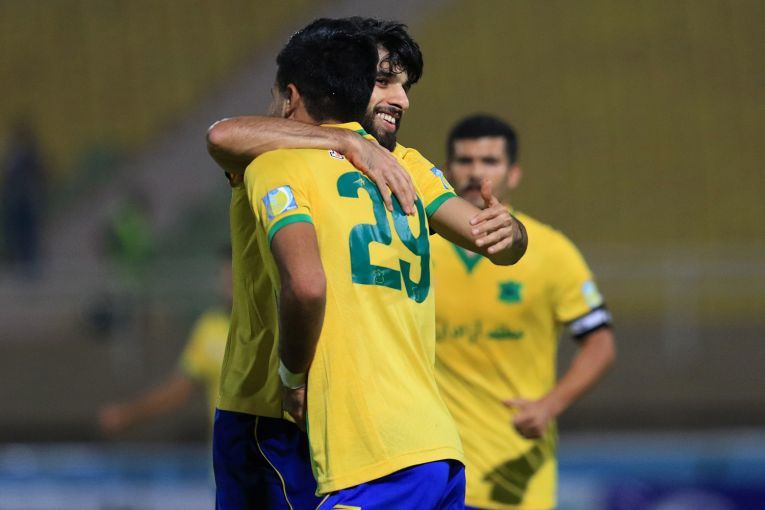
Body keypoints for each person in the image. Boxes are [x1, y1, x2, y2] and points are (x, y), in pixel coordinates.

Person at [211, 18, 526, 510]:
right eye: (382, 80)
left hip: (318, 410)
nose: (400, 99)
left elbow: (492, 240)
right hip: (297, 412)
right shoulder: (272, 150)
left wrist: (512, 232)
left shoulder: (396, 164)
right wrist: (345, 142)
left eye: (403, 85)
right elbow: (223, 134)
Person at [433, 114, 617, 510]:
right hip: (432, 473)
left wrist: (550, 404)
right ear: (446, 170)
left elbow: (600, 343)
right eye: (464, 160)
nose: (475, 172)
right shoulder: (414, 245)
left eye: (489, 161)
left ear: (513, 173)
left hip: (514, 480)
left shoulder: (551, 252)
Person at [98, 248, 231, 435]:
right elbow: (178, 391)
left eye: (234, 275)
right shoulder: (209, 328)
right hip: (226, 452)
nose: (228, 282)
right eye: (223, 275)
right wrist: (129, 413)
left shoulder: (270, 325)